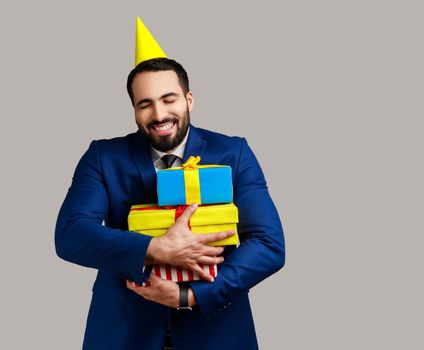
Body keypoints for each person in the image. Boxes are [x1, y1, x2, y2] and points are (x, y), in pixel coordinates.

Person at [55, 18, 285, 350]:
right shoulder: (103, 157)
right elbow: (70, 234)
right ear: (134, 110)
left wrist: (188, 296)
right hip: (123, 333)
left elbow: (269, 245)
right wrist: (156, 249)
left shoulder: (233, 153)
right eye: (145, 104)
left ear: (189, 99)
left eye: (169, 99)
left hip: (216, 331)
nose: (159, 113)